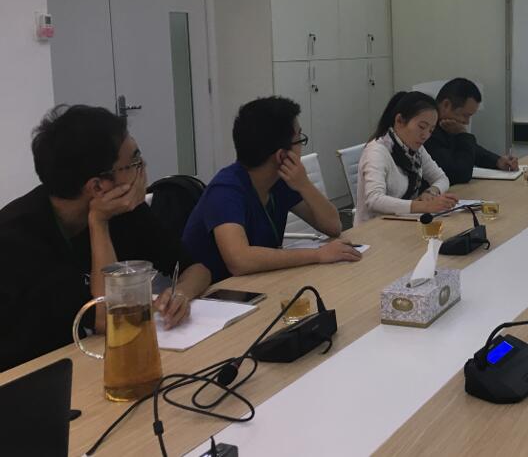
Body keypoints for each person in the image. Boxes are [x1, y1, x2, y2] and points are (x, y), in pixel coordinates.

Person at [0, 105, 211, 371]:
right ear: (98, 186)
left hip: (85, 359)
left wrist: (181, 293)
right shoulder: (18, 240)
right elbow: (106, 318)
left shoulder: (126, 210)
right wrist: (98, 223)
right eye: (134, 162)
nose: (143, 169)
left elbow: (196, 269)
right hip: (29, 376)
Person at [182, 97, 360, 283]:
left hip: (259, 283)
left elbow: (333, 226)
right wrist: (317, 254)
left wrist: (304, 184)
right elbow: (240, 261)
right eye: (299, 139)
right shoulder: (225, 190)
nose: (301, 146)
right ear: (282, 156)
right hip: (216, 293)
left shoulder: (280, 181)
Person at [355, 91, 457, 224]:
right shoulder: (377, 151)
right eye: (422, 127)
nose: (425, 136)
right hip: (374, 228)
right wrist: (425, 206)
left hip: (403, 222)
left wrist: (431, 193)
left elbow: (441, 178)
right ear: (399, 121)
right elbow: (374, 200)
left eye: (431, 130)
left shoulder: (415, 148)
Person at [424, 78, 518, 185]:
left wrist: (497, 161)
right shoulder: (427, 131)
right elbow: (461, 174)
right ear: (446, 105)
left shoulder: (446, 126)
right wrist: (463, 134)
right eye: (465, 115)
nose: (467, 122)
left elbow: (471, 150)